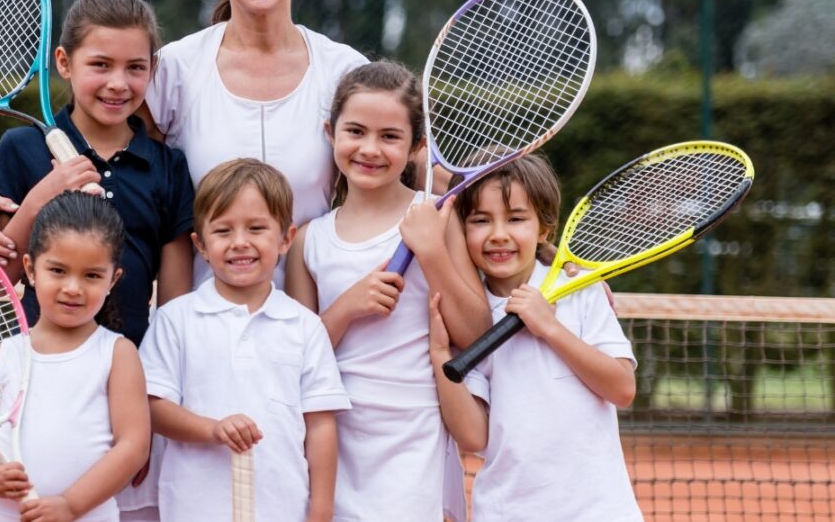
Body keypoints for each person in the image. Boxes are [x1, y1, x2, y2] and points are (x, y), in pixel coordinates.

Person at [285, 61, 490, 521]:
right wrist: (345, 308)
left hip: (417, 436)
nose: (370, 149)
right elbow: (293, 358)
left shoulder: (435, 218)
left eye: (390, 136)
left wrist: (432, 252)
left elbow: (476, 333)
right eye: (355, 131)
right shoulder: (307, 240)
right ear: (329, 132)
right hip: (334, 437)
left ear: (417, 146)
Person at [140, 0, 369, 287]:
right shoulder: (174, 69)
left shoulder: (345, 71)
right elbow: (106, 165)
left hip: (313, 327)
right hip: (199, 333)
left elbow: (406, 173)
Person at [0, 0, 195, 347]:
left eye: (135, 67)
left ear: (152, 68)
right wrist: (45, 194)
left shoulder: (169, 166)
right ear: (64, 62)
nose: (118, 83)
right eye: (100, 65)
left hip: (132, 372)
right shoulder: (19, 148)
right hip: (40, 372)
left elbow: (175, 306)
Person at [426, 153, 642, 521]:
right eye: (480, 220)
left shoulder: (580, 290)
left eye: (516, 219)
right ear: (462, 232)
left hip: (600, 511)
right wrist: (440, 352)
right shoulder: (468, 316)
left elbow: (622, 388)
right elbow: (473, 437)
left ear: (543, 229)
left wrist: (550, 328)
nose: (498, 234)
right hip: (506, 511)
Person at [139, 158, 350, 521]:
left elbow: (321, 425)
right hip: (195, 509)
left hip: (283, 509)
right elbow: (153, 409)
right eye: (222, 231)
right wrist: (212, 429)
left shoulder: (305, 326)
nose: (240, 243)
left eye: (256, 228)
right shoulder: (175, 319)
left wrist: (321, 509)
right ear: (200, 244)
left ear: (286, 238)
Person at [0, 190, 151, 521]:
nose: (73, 287)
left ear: (113, 279)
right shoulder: (2, 355)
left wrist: (71, 504)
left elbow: (134, 447)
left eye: (92, 275)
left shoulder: (118, 353)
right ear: (30, 268)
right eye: (57, 270)